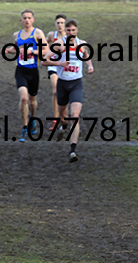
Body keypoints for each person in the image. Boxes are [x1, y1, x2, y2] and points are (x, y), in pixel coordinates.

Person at [43, 18, 94, 162]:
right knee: (63, 115)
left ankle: (72, 151)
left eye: (73, 30)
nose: (71, 32)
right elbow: (44, 61)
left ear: (77, 30)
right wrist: (59, 63)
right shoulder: (59, 44)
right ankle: (63, 124)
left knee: (75, 116)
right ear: (65, 30)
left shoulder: (82, 44)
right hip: (63, 84)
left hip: (76, 84)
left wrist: (90, 65)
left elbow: (86, 55)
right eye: (68, 30)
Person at [3, 9, 51, 143]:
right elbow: (15, 48)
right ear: (21, 20)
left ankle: (32, 119)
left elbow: (46, 50)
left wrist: (31, 51)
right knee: (24, 98)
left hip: (33, 71)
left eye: (29, 18)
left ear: (33, 19)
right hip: (21, 71)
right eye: (24, 18)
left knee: (32, 101)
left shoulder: (38, 33)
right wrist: (8, 50)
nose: (27, 20)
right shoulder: (16, 35)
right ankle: (24, 127)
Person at [45, 14, 67, 132]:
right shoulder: (51, 35)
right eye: (58, 23)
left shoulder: (69, 37)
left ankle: (64, 117)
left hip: (65, 67)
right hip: (53, 65)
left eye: (62, 23)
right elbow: (45, 44)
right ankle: (55, 119)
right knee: (55, 91)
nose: (60, 25)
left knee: (64, 92)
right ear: (55, 24)